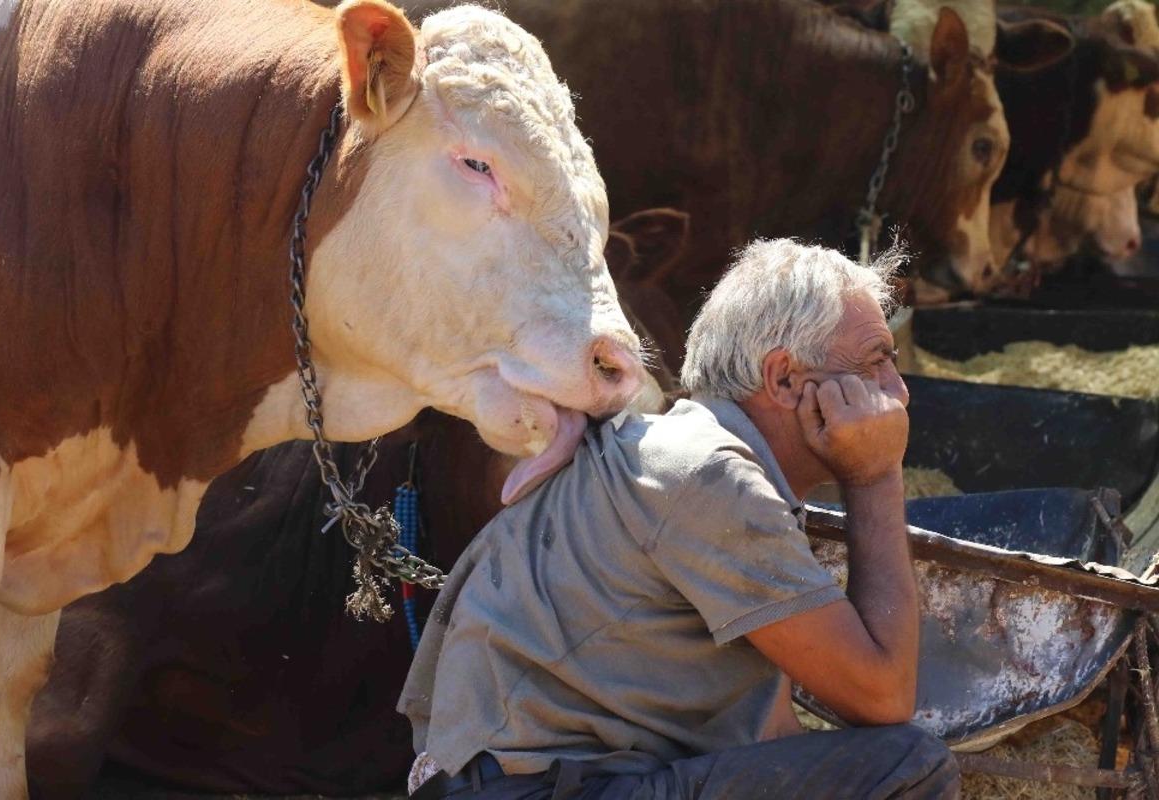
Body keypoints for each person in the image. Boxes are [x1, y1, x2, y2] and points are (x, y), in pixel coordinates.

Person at [397, 239, 959, 799]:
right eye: (877, 362)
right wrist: (875, 474)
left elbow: (773, 736)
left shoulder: (680, 452)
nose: (899, 393)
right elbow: (883, 698)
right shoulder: (710, 478)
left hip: (528, 783)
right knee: (908, 765)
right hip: (537, 790)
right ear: (784, 378)